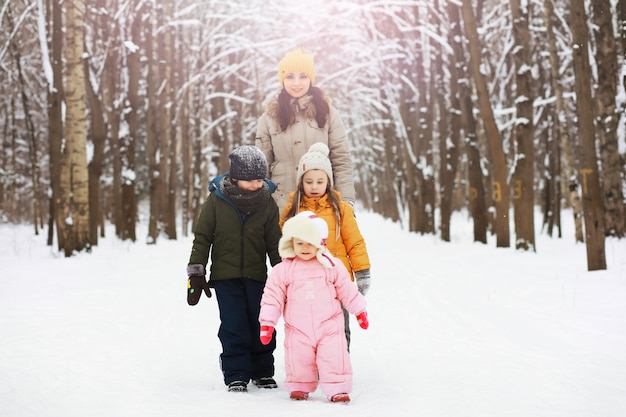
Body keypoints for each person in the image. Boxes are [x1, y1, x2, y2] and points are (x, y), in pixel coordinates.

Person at [186, 145, 282, 393]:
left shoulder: (267, 203)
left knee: (262, 323)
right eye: (251, 180)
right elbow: (202, 236)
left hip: (257, 277)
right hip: (225, 278)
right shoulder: (217, 201)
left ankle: (262, 371)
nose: (256, 185)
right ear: (236, 178)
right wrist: (197, 273)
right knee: (234, 324)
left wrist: (284, 274)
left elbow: (275, 241)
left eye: (260, 180)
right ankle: (236, 372)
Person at [258, 211, 369, 403]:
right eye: (299, 243)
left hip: (329, 325)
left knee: (334, 356)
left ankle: (338, 388)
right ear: (291, 243)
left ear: (321, 242)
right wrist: (268, 321)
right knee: (299, 358)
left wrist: (359, 310)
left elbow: (346, 289)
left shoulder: (332, 266)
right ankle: (300, 386)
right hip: (298, 327)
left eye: (310, 243)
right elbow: (272, 296)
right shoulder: (283, 269)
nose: (305, 248)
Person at [281, 142, 371, 348]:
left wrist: (362, 271)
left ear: (328, 182)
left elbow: (355, 241)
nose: (314, 186)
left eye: (320, 181)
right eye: (309, 181)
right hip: (306, 281)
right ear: (301, 182)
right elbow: (285, 245)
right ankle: (313, 363)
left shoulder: (341, 209)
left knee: (339, 324)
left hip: (337, 280)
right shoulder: (293, 210)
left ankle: (339, 361)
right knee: (310, 325)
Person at [255, 47, 356, 212]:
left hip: (322, 208)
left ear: (310, 78)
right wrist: (260, 206)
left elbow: (341, 161)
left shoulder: (328, 113)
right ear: (282, 80)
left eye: (303, 76)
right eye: (290, 76)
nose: (296, 83)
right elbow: (261, 168)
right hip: (280, 207)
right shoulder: (268, 118)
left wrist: (346, 201)